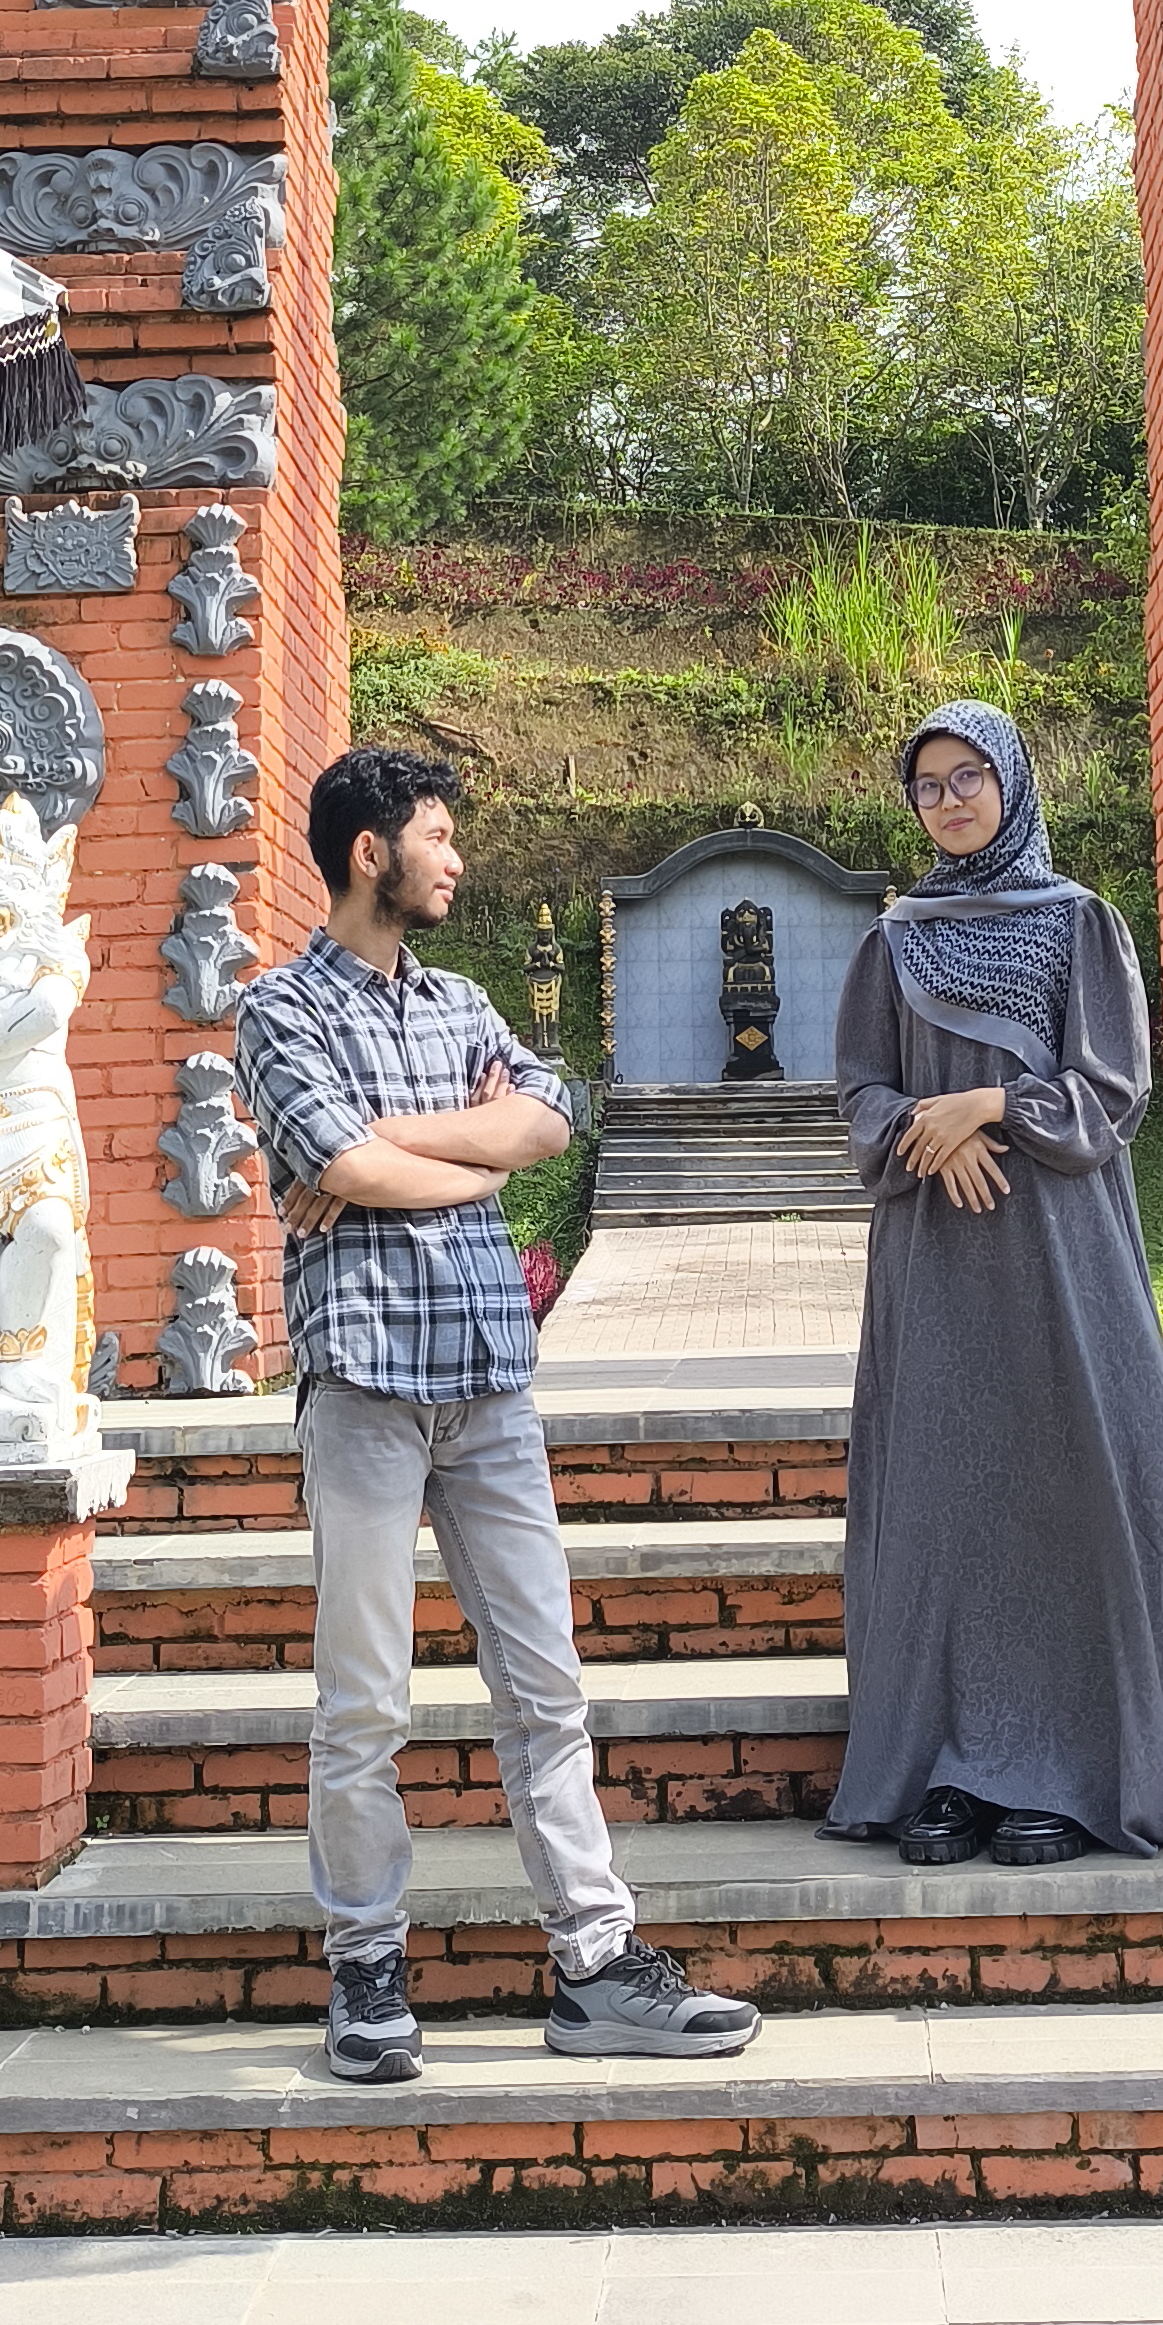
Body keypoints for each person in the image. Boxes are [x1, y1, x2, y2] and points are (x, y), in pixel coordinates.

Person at [234, 744, 763, 2086]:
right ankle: (365, 1968)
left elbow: (547, 1122)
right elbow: (340, 1158)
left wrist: (395, 1146)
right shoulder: (279, 1007)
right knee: (365, 1704)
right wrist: (447, 1152)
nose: (456, 859)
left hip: (488, 1385)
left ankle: (596, 1964)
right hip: (364, 1387)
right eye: (439, 835)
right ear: (371, 853)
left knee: (546, 1688)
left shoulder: (463, 998)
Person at [828, 698, 1163, 1867]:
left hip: (1059, 1254)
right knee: (944, 1500)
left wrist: (989, 1105)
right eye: (928, 785)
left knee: (1065, 1488)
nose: (948, 800)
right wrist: (928, 1128)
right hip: (937, 1255)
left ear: (1012, 781)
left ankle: (1069, 1769)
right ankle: (948, 1767)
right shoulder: (893, 938)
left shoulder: (1077, 922)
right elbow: (861, 1091)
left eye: (967, 776)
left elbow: (1112, 1090)